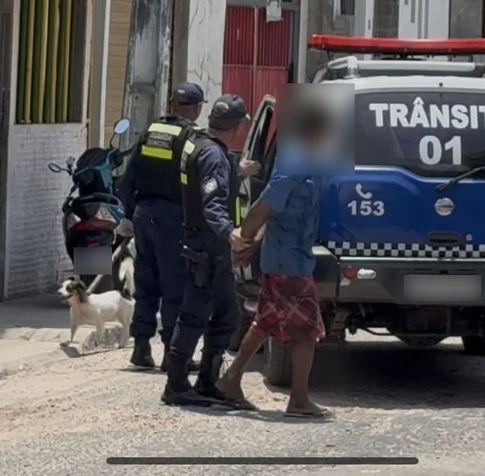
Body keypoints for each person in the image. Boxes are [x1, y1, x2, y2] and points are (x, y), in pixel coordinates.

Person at [215, 103, 332, 418]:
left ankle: (230, 378)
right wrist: (244, 241)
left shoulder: (307, 164)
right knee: (308, 331)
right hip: (288, 263)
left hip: (287, 256)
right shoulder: (295, 165)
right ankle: (298, 400)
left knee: (265, 321)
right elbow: (263, 207)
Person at [161, 94, 253, 407]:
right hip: (208, 246)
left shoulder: (197, 143)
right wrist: (232, 235)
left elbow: (206, 180)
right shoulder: (213, 155)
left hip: (200, 242)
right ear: (238, 126)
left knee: (226, 314)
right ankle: (176, 386)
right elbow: (213, 203)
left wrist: (237, 170)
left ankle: (207, 382)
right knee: (194, 317)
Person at [116, 82, 205, 372]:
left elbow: (129, 177)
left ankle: (141, 348)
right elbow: (195, 182)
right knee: (173, 285)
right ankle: (171, 352)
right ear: (197, 108)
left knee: (147, 283)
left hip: (143, 214)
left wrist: (128, 215)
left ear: (172, 103)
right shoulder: (190, 136)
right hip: (171, 218)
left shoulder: (151, 131)